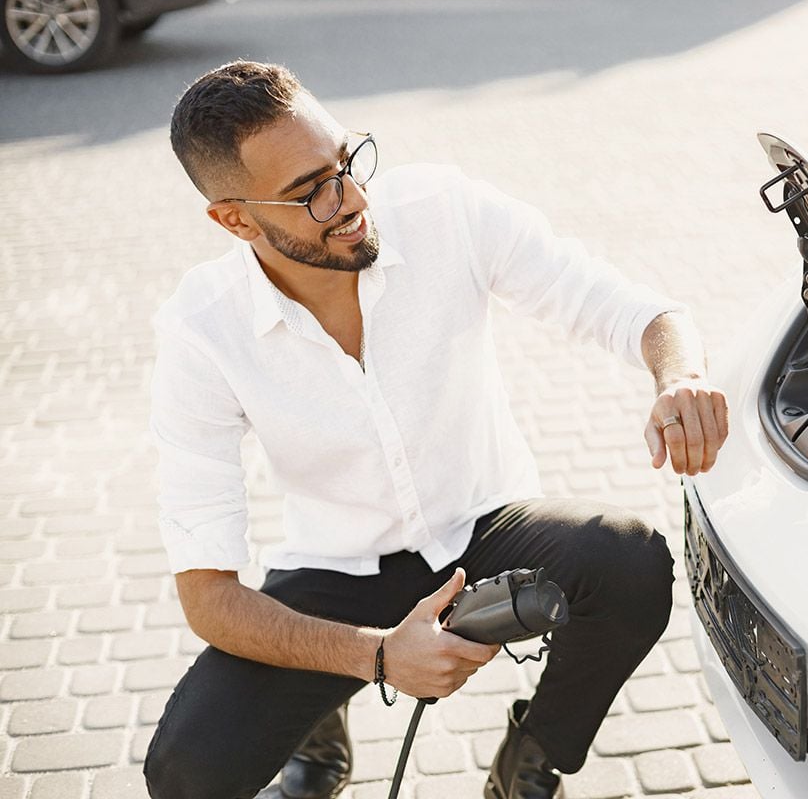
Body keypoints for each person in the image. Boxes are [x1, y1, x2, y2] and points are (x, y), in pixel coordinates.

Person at [143, 60, 728, 799]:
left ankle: (533, 758)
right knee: (186, 772)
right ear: (234, 219)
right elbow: (209, 598)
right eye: (309, 192)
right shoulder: (200, 331)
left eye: (347, 160)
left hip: (487, 525)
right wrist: (378, 656)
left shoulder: (444, 209)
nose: (351, 198)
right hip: (334, 571)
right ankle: (320, 740)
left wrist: (679, 376)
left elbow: (638, 311)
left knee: (630, 562)